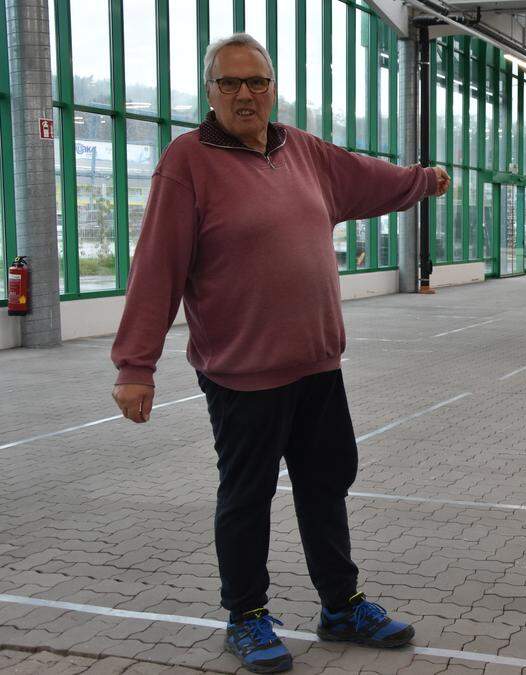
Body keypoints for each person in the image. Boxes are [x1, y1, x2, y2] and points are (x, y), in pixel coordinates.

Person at [110, 34, 449, 674]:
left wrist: (422, 181)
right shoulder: (187, 162)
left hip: (318, 366)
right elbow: (156, 267)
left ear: (272, 88)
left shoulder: (303, 151)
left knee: (326, 487)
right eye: (230, 83)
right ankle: (247, 615)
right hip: (243, 376)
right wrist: (136, 366)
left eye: (256, 82)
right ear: (210, 92)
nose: (245, 94)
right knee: (247, 496)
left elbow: (368, 178)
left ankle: (341, 606)